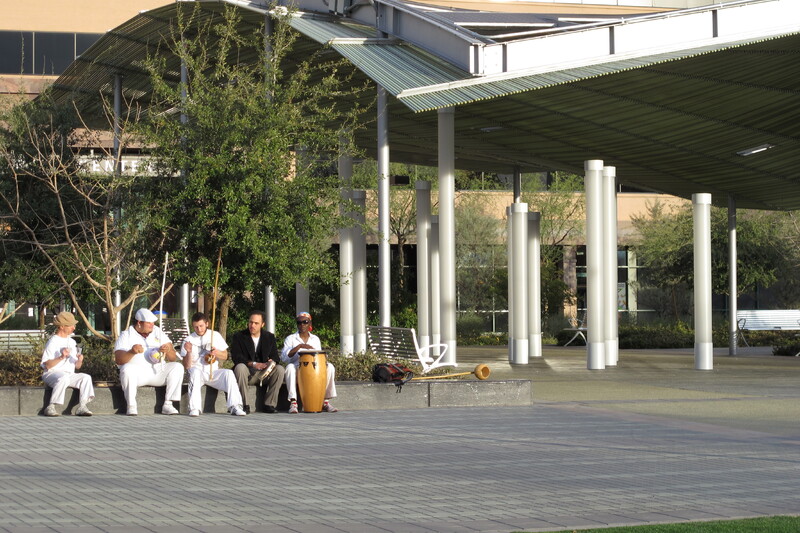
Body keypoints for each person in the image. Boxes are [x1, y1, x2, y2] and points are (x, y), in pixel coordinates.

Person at [114, 308, 183, 416]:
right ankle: (131, 406)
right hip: (137, 374)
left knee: (177, 367)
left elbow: (173, 357)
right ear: (139, 323)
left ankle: (168, 404)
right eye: (149, 323)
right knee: (126, 369)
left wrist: (168, 350)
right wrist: (132, 352)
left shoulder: (158, 331)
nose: (152, 325)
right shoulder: (126, 335)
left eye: (153, 322)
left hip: (157, 371)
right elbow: (119, 359)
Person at [180, 312, 246, 417]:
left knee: (228, 373)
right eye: (196, 327)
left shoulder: (215, 335)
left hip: (213, 372)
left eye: (201, 326)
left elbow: (225, 356)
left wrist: (216, 353)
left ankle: (235, 406)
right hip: (197, 373)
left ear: (207, 324)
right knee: (194, 372)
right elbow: (187, 366)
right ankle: (194, 408)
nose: (199, 329)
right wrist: (188, 352)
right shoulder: (188, 340)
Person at [230, 310, 285, 413]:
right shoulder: (239, 336)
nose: (252, 325)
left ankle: (269, 404)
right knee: (240, 367)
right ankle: (244, 404)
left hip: (264, 373)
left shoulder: (269, 337)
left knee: (280, 369)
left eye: (256, 323)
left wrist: (271, 362)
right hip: (247, 373)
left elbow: (276, 357)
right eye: (251, 322)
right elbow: (236, 357)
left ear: (262, 324)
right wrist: (253, 364)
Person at [281, 312, 337, 414]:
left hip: (313, 369)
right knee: (289, 367)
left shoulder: (315, 339)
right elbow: (284, 358)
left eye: (305, 322)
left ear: (309, 323)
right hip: (298, 369)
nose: (302, 325)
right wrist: (299, 347)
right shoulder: (291, 338)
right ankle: (293, 403)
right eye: (299, 322)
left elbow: (319, 356)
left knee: (330, 367)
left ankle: (325, 401)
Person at [40, 311, 94, 417]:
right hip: (52, 373)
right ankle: (51, 406)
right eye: (70, 325)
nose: (74, 328)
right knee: (63, 378)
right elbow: (47, 365)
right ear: (62, 326)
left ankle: (82, 406)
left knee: (86, 378)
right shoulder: (52, 342)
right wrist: (61, 357)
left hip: (68, 374)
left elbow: (77, 366)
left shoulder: (72, 342)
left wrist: (80, 360)